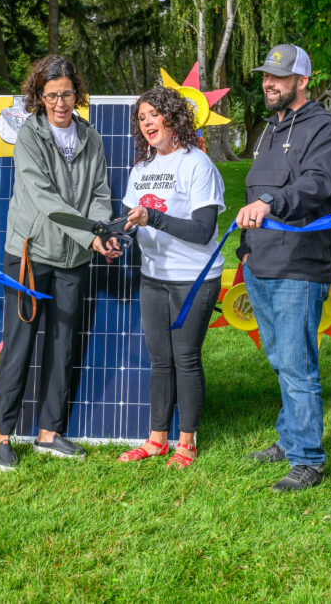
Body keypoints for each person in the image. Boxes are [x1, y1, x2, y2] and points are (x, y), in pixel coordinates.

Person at [0, 55, 118, 471]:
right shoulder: (28, 136)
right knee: (20, 344)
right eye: (51, 95)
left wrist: (99, 234)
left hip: (73, 258)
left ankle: (49, 433)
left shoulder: (91, 138)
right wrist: (91, 235)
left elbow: (100, 193)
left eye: (66, 93)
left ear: (77, 93)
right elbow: (44, 198)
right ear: (38, 97)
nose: (60, 102)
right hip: (29, 252)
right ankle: (1, 436)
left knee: (63, 345)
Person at [236, 44, 331, 492]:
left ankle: (307, 460)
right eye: (266, 76)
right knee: (281, 358)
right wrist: (245, 250)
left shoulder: (324, 127)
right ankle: (290, 439)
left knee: (298, 363)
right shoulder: (268, 129)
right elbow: (254, 191)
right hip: (260, 260)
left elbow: (317, 186)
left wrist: (270, 202)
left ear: (302, 81)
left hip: (300, 263)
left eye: (279, 77)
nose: (270, 83)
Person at [115, 86, 225, 468]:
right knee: (160, 360)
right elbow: (132, 221)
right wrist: (115, 237)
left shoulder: (197, 164)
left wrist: (153, 217)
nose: (147, 122)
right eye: (141, 117)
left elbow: (203, 230)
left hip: (194, 278)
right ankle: (156, 439)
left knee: (185, 358)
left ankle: (187, 442)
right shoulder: (141, 169)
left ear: (172, 117)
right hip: (154, 276)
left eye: (153, 114)